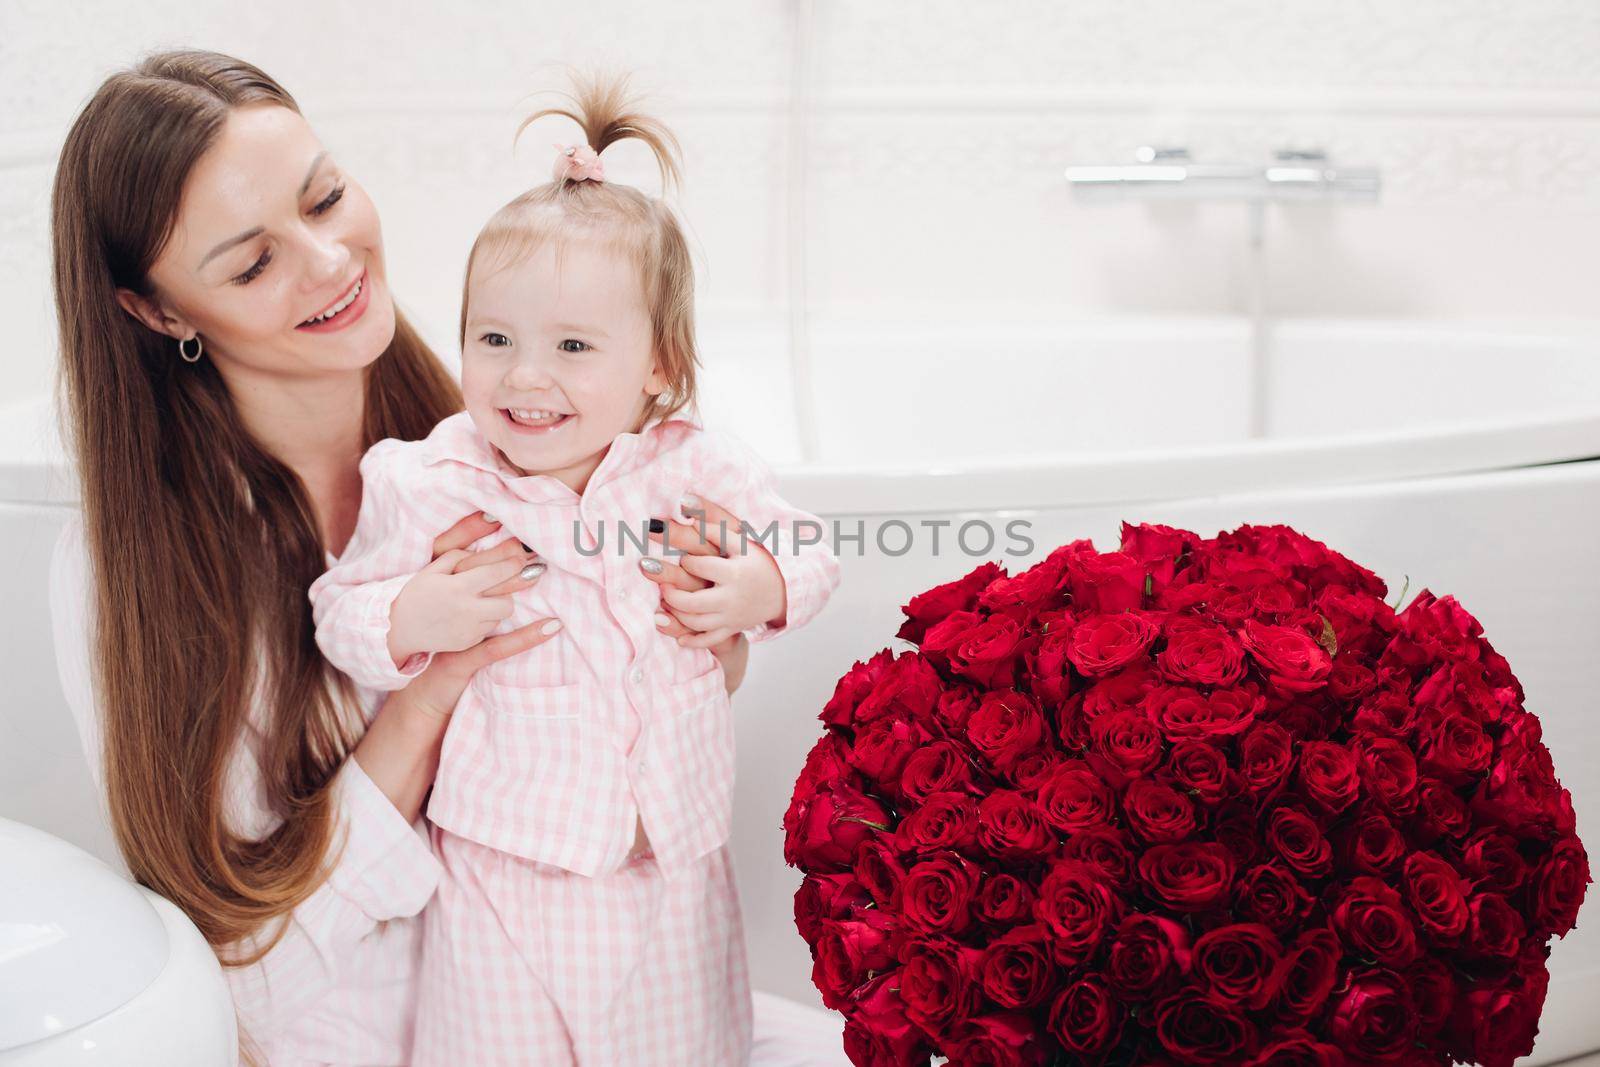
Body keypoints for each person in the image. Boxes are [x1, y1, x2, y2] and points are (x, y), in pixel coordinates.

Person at [44, 49, 780, 1066]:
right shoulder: (140, 569)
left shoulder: (499, 425)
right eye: (254, 262)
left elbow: (671, 679)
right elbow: (242, 971)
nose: (332, 261)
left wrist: (707, 620)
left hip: (591, 969)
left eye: (328, 197)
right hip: (364, 1029)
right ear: (158, 310)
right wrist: (432, 694)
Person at [307, 75, 841, 1066]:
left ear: (656, 364)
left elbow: (813, 552)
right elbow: (341, 613)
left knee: (684, 1046)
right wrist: (413, 609)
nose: (524, 376)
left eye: (573, 346)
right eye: (495, 338)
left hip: (669, 863)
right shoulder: (431, 476)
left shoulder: (694, 466)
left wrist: (760, 587)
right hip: (500, 869)